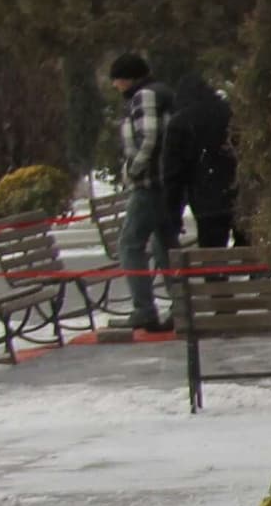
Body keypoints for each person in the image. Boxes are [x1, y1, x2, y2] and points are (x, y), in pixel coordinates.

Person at [99, 52, 174, 333]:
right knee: (165, 244)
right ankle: (181, 306)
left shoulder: (144, 96)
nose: (115, 86)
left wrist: (133, 170)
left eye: (116, 80)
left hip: (150, 183)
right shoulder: (158, 93)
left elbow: (149, 138)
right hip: (166, 183)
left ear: (126, 78)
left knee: (130, 244)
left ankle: (144, 309)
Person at [165, 72, 238, 248]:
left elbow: (174, 175)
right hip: (240, 193)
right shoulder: (231, 113)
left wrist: (173, 217)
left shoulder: (180, 123)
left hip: (206, 199)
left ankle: (217, 275)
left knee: (212, 253)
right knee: (248, 251)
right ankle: (255, 275)